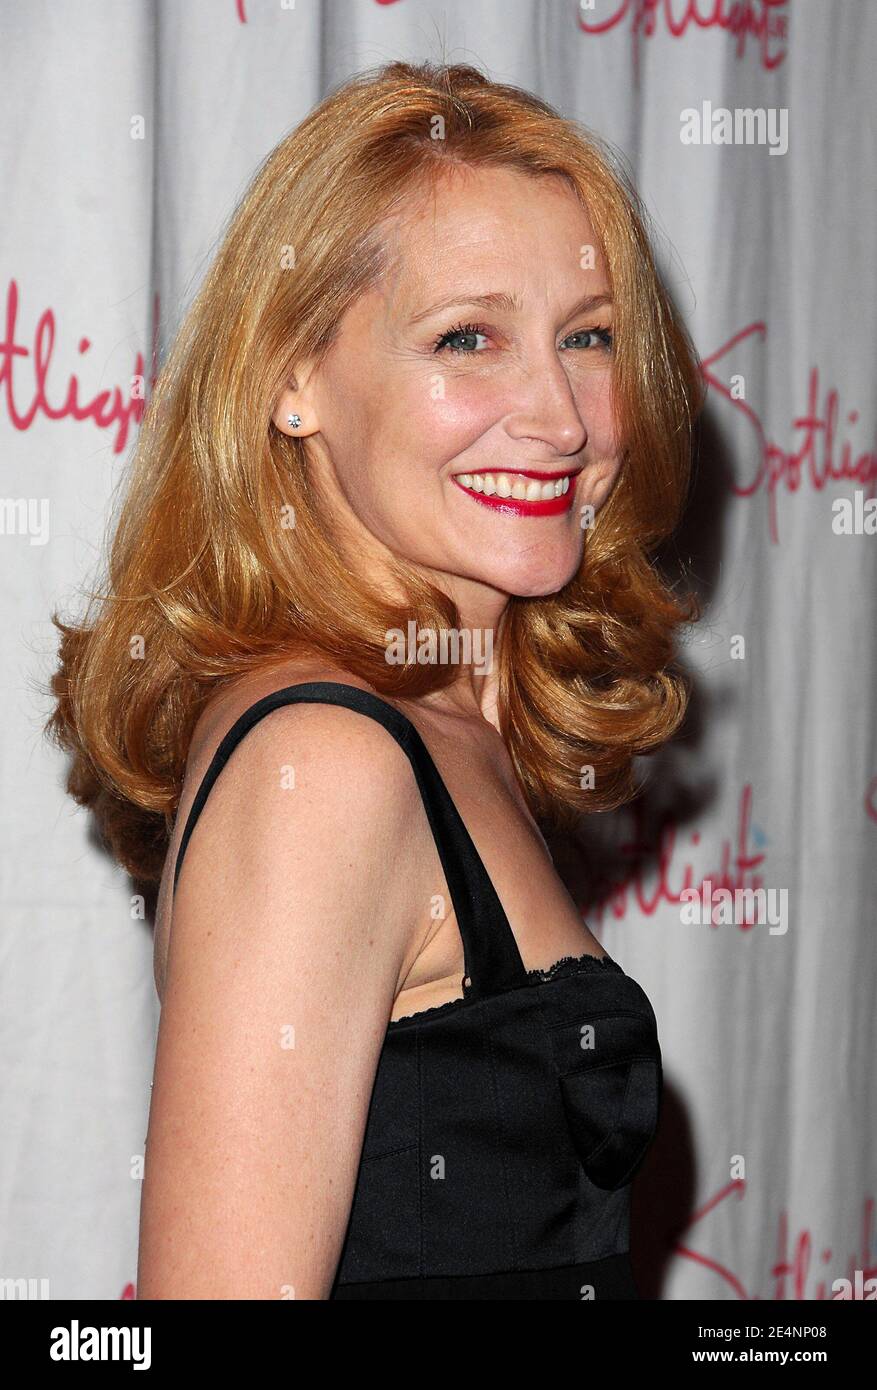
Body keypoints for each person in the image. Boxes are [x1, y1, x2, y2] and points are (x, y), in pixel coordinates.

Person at [46, 59, 704, 1299]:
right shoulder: (330, 765)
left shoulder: (438, 719)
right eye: (469, 338)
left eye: (588, 337)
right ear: (291, 380)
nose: (561, 417)